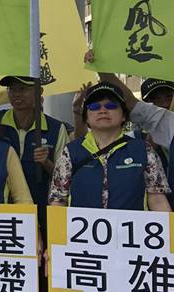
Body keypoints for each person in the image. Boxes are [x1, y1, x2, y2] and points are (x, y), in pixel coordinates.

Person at [50, 81, 171, 211]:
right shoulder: (70, 152)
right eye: (94, 106)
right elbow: (58, 201)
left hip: (132, 225)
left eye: (111, 105)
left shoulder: (144, 150)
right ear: (86, 117)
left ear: (124, 115)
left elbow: (157, 200)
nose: (103, 110)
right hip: (80, 225)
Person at [0, 76, 68, 207]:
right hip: (2, 208)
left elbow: (64, 178)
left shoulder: (56, 128)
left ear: (39, 91)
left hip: (42, 207)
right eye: (12, 89)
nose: (17, 94)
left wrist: (46, 163)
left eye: (23, 89)